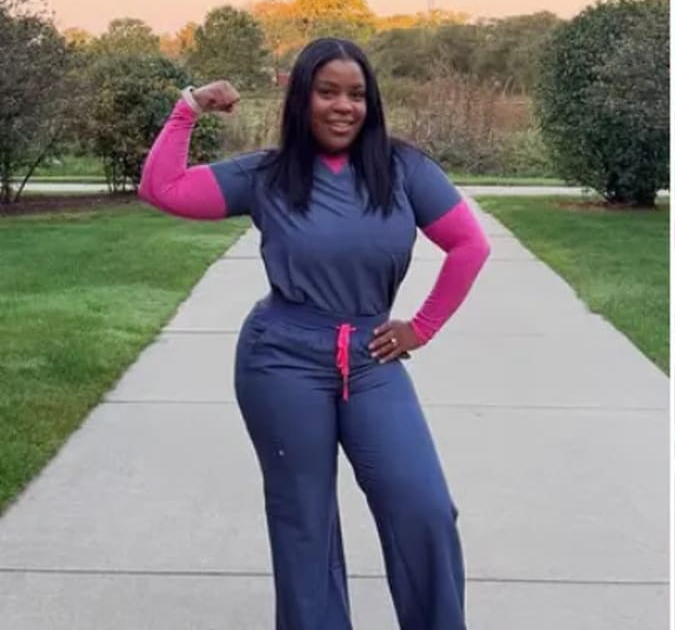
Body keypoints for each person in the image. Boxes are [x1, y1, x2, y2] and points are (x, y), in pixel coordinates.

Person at [138, 37, 491, 630]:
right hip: (282, 361)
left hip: (372, 360)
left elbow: (469, 245)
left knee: (423, 506)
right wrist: (189, 108)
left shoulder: (403, 169)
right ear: (302, 98)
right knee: (304, 523)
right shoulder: (267, 175)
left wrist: (421, 327)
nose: (343, 106)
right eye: (327, 92)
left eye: (356, 94)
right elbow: (162, 188)